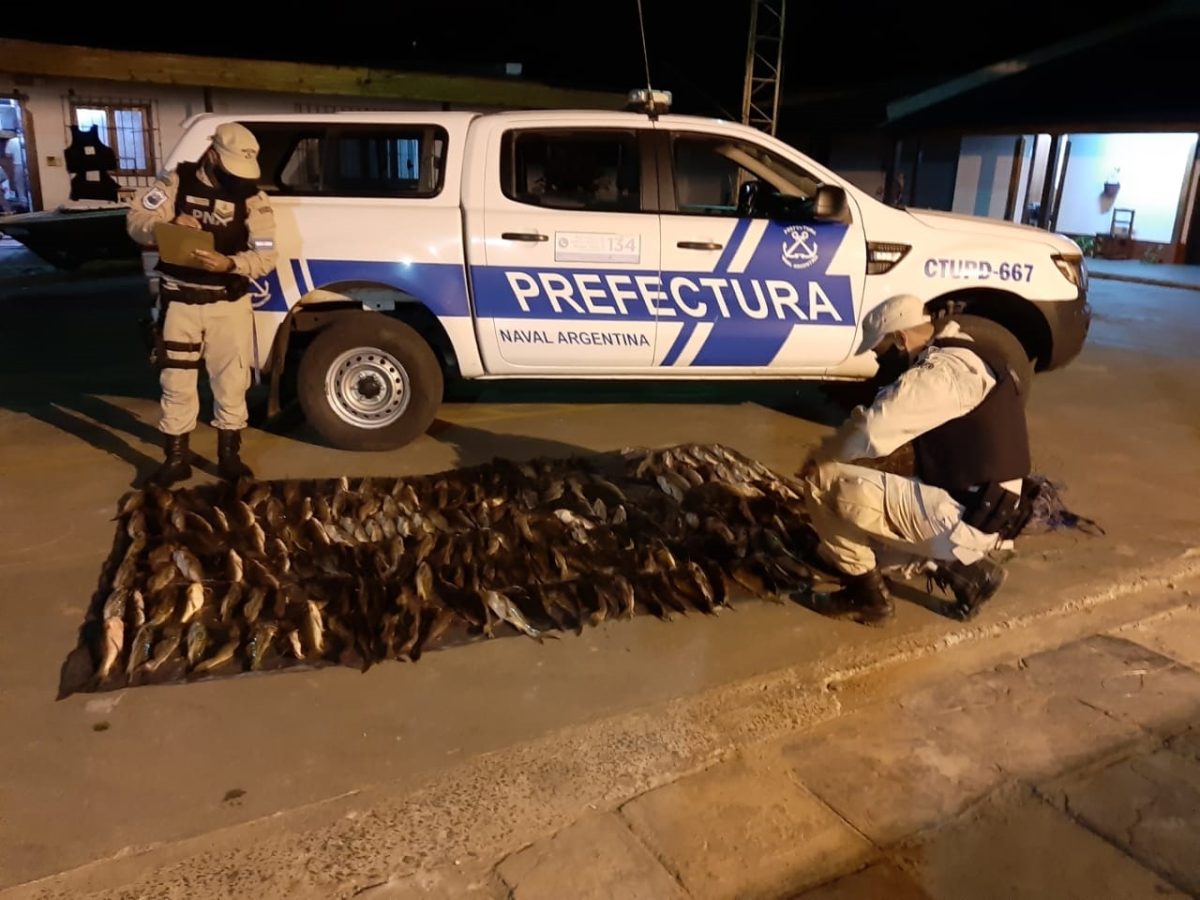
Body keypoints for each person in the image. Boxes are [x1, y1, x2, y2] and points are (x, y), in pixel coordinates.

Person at [799, 294, 1035, 625]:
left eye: (880, 352)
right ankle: (971, 574)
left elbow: (871, 430)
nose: (879, 362)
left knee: (823, 482)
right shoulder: (973, 353)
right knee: (841, 544)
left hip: (966, 517)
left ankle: (867, 600)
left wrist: (821, 456)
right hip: (988, 508)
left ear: (899, 338)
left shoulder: (942, 373)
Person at [126, 122, 277, 486]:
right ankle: (176, 458)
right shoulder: (175, 183)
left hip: (229, 303)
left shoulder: (254, 199)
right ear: (212, 155)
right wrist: (169, 225)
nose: (236, 179)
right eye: (229, 170)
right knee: (176, 381)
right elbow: (135, 222)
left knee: (232, 381)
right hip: (180, 300)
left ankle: (229, 457)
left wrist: (232, 264)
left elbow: (268, 254)